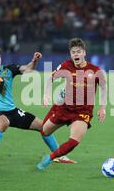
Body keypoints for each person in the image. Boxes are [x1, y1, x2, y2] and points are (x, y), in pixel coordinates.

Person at [37, 38, 107, 170]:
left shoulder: (95, 70)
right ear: (70, 54)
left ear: (84, 53)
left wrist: (102, 108)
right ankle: (57, 106)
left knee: (74, 141)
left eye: (78, 52)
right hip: (64, 108)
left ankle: (50, 158)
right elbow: (50, 78)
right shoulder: (66, 65)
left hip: (83, 112)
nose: (76, 54)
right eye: (73, 52)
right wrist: (46, 94)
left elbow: (104, 87)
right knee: (44, 131)